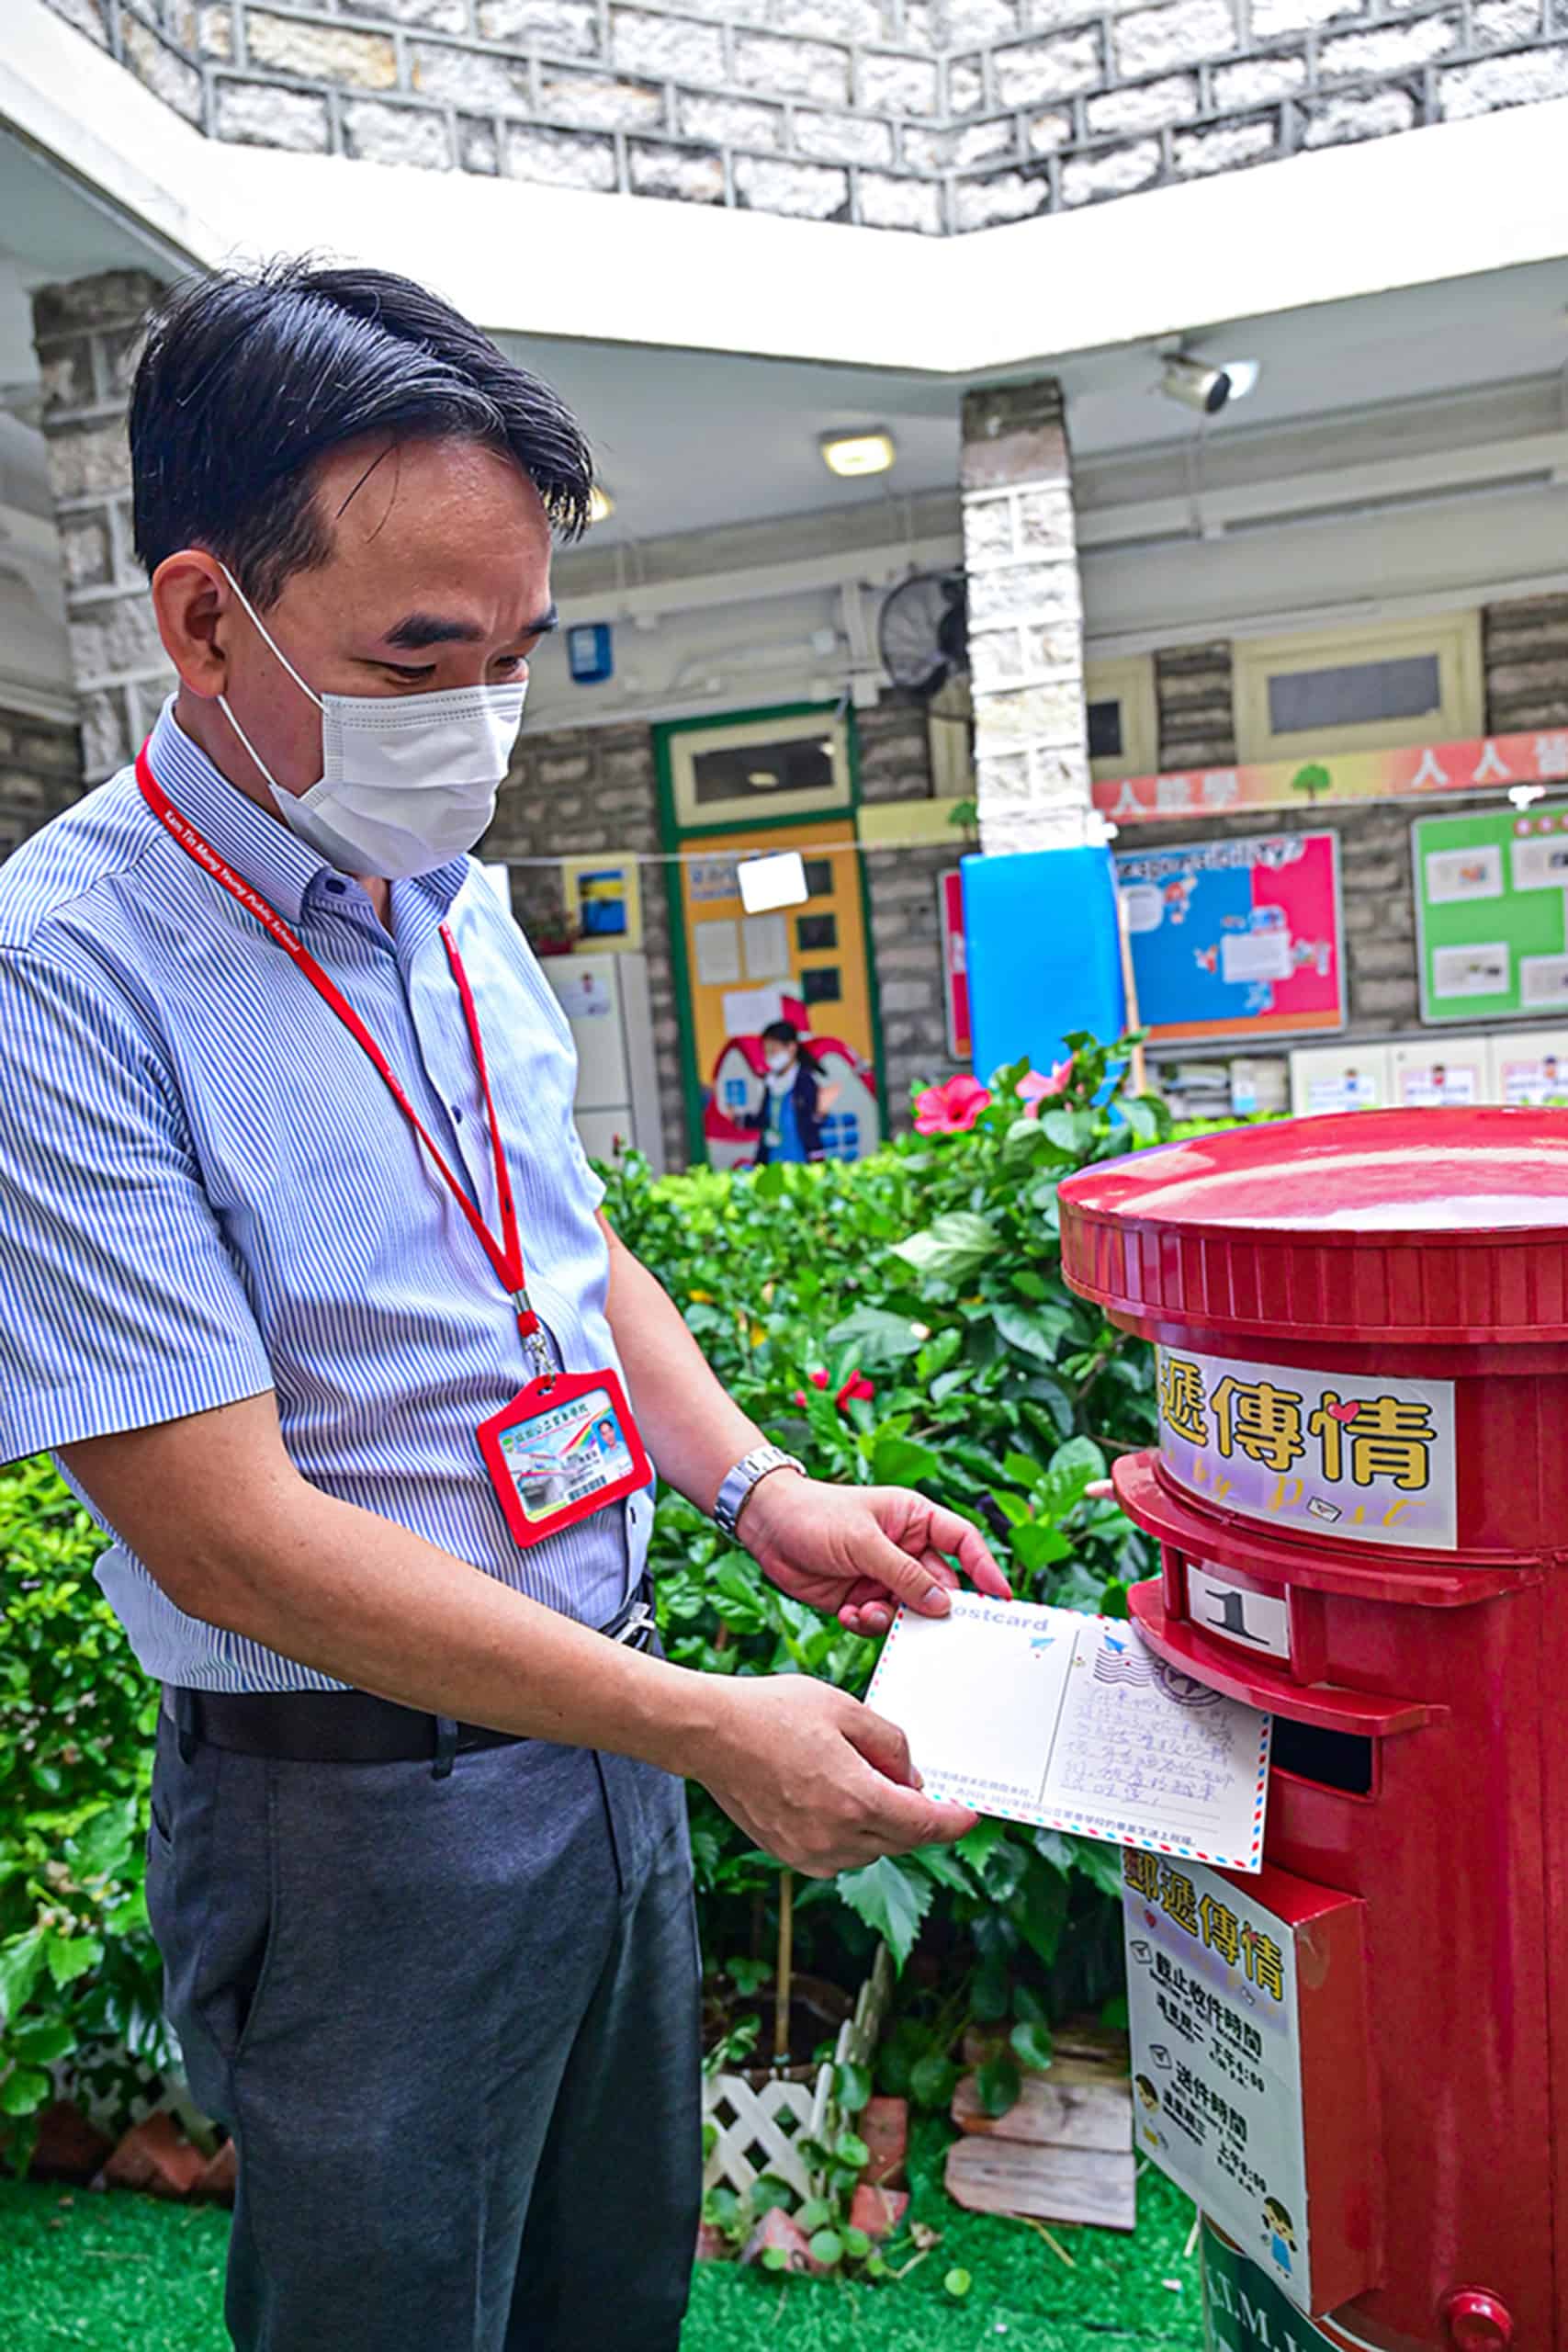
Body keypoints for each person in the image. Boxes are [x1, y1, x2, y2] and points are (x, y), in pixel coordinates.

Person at [0, 262, 1010, 2352]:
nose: (476, 720)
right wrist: (702, 1726)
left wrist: (750, 1490)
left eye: (515, 653)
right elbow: (224, 1532)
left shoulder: (443, 901)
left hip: (604, 1742)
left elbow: (565, 1246)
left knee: (599, 2294)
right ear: (205, 619)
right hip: (351, 1810)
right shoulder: (62, 975)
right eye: (415, 655)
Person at [747, 1017, 837, 1165]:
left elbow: (813, 1123)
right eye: (767, 1051)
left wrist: (820, 1115)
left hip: (801, 1158)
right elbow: (764, 1118)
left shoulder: (806, 1081)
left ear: (791, 1048)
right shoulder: (770, 1083)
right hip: (773, 1158)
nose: (770, 1056)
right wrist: (740, 1120)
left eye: (774, 1050)